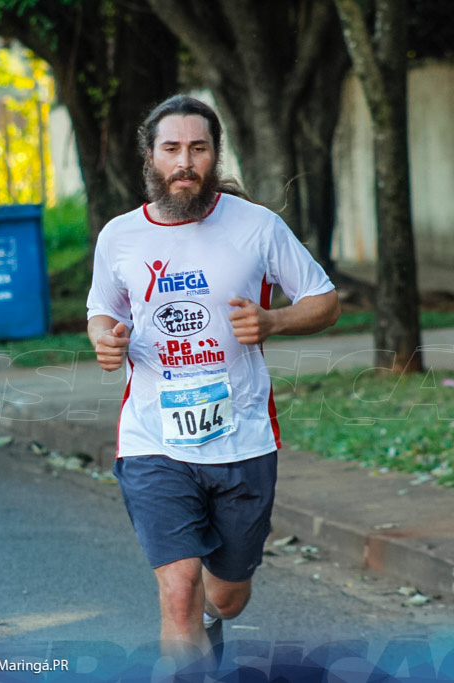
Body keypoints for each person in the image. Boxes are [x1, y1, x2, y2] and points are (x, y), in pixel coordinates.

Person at [86, 95, 341, 667]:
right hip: (153, 439)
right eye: (171, 148)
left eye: (197, 149)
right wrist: (105, 337)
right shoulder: (119, 236)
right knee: (177, 595)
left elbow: (326, 302)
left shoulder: (257, 227)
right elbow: (102, 308)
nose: (185, 161)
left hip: (243, 439)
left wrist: (274, 319)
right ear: (150, 157)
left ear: (215, 155)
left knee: (224, 597)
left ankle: (211, 615)